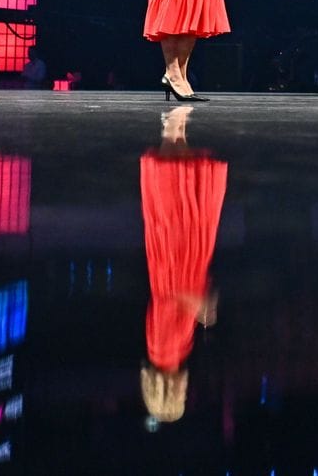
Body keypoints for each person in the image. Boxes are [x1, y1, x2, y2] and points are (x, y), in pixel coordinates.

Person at [140, 106, 226, 425]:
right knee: (179, 202)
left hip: (175, 269)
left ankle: (172, 128)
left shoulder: (163, 352)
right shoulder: (168, 354)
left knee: (174, 206)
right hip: (181, 270)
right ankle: (176, 129)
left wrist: (201, 306)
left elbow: (168, 303)